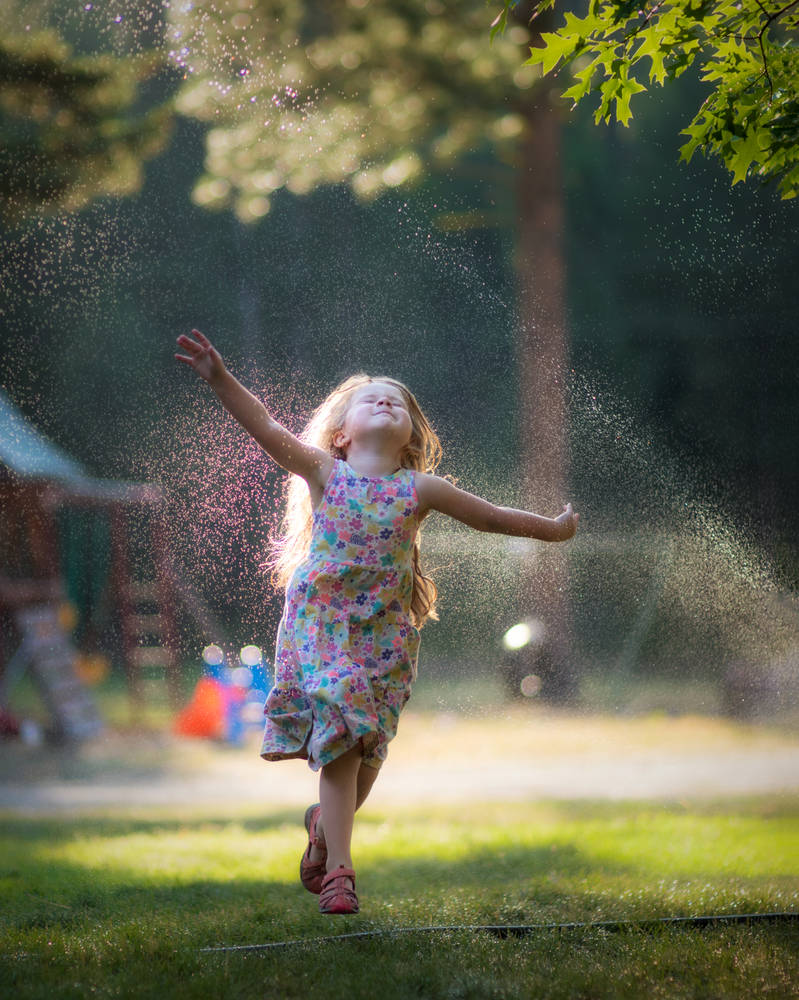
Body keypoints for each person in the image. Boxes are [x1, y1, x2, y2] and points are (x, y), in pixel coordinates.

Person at [175, 328, 579, 915]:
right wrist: (219, 377)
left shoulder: (421, 488)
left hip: (386, 636)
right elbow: (263, 424)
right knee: (342, 723)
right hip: (324, 626)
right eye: (371, 399)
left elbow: (491, 518)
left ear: (411, 433)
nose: (386, 401)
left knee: (367, 747)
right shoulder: (324, 472)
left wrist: (553, 528)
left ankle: (323, 827)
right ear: (341, 433)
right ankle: (340, 870)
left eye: (397, 400)